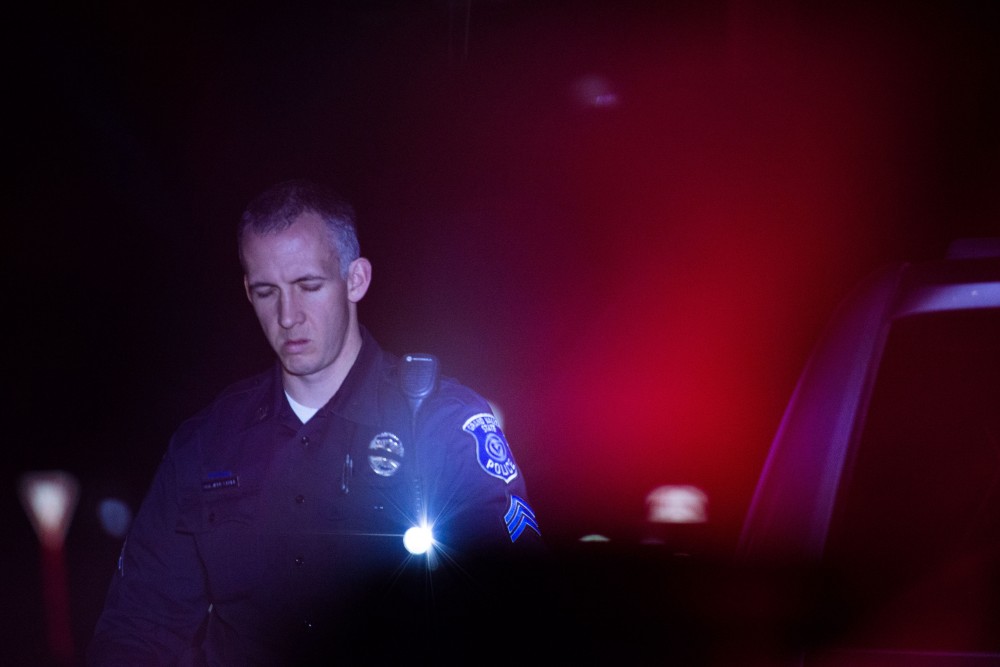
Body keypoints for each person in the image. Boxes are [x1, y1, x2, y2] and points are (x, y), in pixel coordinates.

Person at [87, 179, 544, 666]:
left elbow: (518, 618)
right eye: (266, 292)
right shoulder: (206, 444)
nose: (287, 315)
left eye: (308, 285)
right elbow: (139, 628)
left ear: (356, 280)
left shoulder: (444, 427)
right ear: (247, 291)